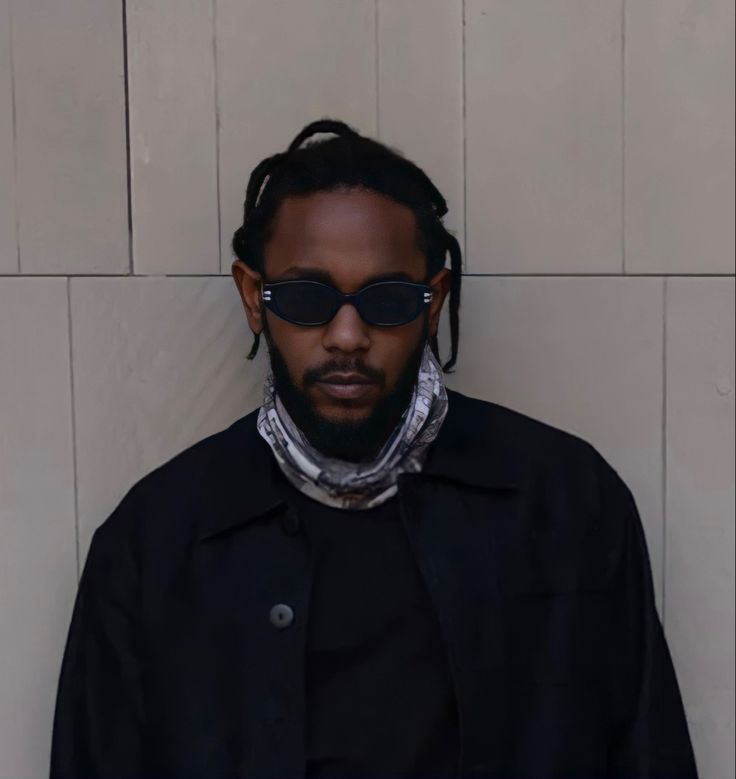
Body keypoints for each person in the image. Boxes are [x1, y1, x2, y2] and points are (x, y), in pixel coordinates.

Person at [49, 118, 699, 779]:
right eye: (307, 297)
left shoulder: (567, 505)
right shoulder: (156, 540)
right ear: (254, 296)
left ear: (433, 300)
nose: (347, 334)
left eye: (387, 299)